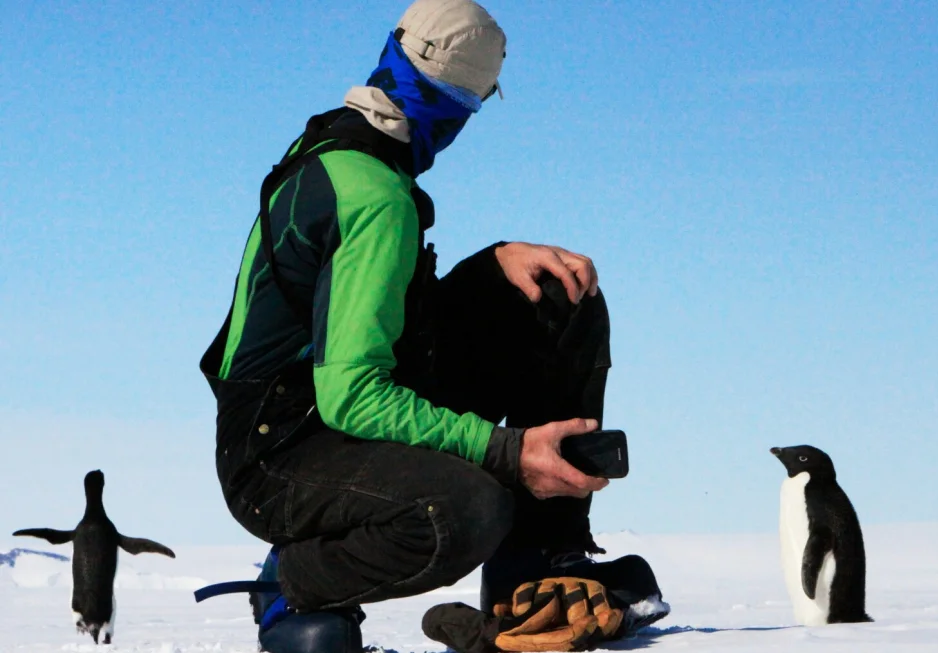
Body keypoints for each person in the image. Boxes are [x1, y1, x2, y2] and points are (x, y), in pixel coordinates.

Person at [196, 1, 667, 652]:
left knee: (553, 293)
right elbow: (353, 394)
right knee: (464, 509)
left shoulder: (336, 145)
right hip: (281, 459)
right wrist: (507, 450)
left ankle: (536, 569)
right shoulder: (376, 199)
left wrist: (493, 266)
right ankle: (293, 579)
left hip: (301, 412)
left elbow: (367, 322)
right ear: (466, 104)